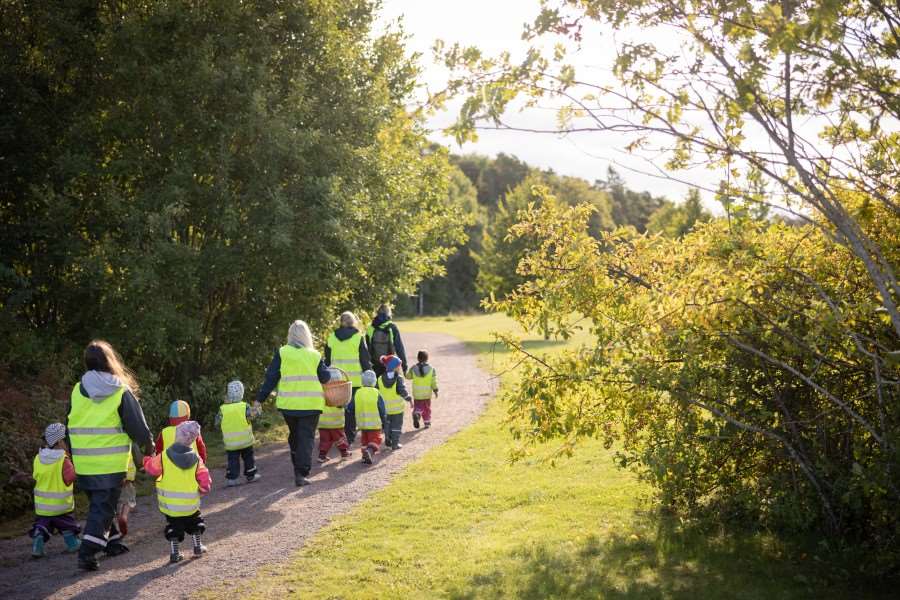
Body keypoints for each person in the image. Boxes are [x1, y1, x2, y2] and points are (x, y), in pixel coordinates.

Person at [66, 340, 154, 571]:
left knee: (100, 506)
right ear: (110, 361)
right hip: (109, 464)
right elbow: (138, 427)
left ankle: (112, 542)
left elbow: (69, 424)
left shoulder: (76, 390)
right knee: (103, 509)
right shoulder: (120, 392)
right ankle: (87, 552)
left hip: (84, 463)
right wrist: (149, 447)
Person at [255, 320, 331, 487]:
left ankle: (298, 469)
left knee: (295, 436)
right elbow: (325, 377)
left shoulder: (282, 353)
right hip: (311, 404)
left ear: (290, 335)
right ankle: (301, 473)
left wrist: (260, 399)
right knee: (306, 438)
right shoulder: (314, 355)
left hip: (289, 405)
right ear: (307, 336)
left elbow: (271, 378)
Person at [142, 421, 211, 564]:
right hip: (190, 504)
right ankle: (197, 546)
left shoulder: (164, 457)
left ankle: (175, 552)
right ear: (192, 440)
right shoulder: (196, 459)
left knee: (174, 526)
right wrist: (204, 489)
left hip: (170, 506)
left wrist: (146, 460)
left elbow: (152, 469)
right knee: (195, 523)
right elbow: (204, 477)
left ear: (176, 436)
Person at [29, 423, 80, 558]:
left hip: (42, 506)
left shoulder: (38, 458)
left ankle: (37, 545)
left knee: (42, 525)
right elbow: (70, 478)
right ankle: (73, 544)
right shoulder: (63, 460)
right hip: (60, 505)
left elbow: (35, 476)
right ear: (59, 441)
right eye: (65, 440)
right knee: (67, 525)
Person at [324, 311, 371, 445]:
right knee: (351, 410)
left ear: (341, 322)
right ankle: (349, 437)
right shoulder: (358, 337)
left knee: (337, 408)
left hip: (336, 379)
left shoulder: (331, 337)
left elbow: (327, 360)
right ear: (353, 322)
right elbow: (364, 359)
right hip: (354, 380)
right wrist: (369, 374)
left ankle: (337, 436)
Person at [215, 380, 260, 486]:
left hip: (231, 443)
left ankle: (232, 478)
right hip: (246, 441)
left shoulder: (223, 409)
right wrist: (258, 409)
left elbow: (217, 422)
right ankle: (251, 475)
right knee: (248, 458)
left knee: (232, 460)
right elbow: (252, 415)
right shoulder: (245, 406)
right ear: (241, 393)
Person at [351, 370, 388, 465]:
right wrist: (384, 420)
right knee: (375, 440)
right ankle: (370, 452)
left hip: (362, 423)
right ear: (374, 381)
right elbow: (382, 408)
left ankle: (365, 456)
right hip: (374, 423)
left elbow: (351, 406)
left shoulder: (358, 392)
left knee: (365, 440)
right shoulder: (376, 392)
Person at [378, 355, 412, 450]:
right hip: (397, 409)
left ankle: (388, 438)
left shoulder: (380, 379)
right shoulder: (398, 378)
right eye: (398, 366)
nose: (400, 367)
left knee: (387, 425)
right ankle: (395, 444)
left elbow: (378, 393)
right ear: (394, 367)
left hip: (386, 409)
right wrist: (408, 398)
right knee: (396, 426)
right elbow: (402, 391)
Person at [366, 304, 407, 376]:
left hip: (374, 364)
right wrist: (404, 366)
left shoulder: (370, 328)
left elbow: (366, 349)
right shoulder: (392, 327)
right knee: (390, 386)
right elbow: (399, 348)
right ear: (389, 313)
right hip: (390, 364)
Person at [406, 349, 439, 429]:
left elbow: (408, 377)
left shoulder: (413, 368)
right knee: (427, 408)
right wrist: (435, 390)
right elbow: (433, 381)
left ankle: (417, 413)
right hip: (427, 394)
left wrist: (406, 370)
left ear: (418, 358)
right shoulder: (431, 369)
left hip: (417, 394)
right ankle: (427, 422)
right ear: (427, 358)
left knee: (418, 406)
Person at [317, 398, 350, 463]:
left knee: (324, 440)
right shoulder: (338, 394)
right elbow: (344, 403)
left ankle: (321, 456)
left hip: (322, 422)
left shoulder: (321, 391)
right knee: (339, 438)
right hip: (335, 422)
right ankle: (344, 454)